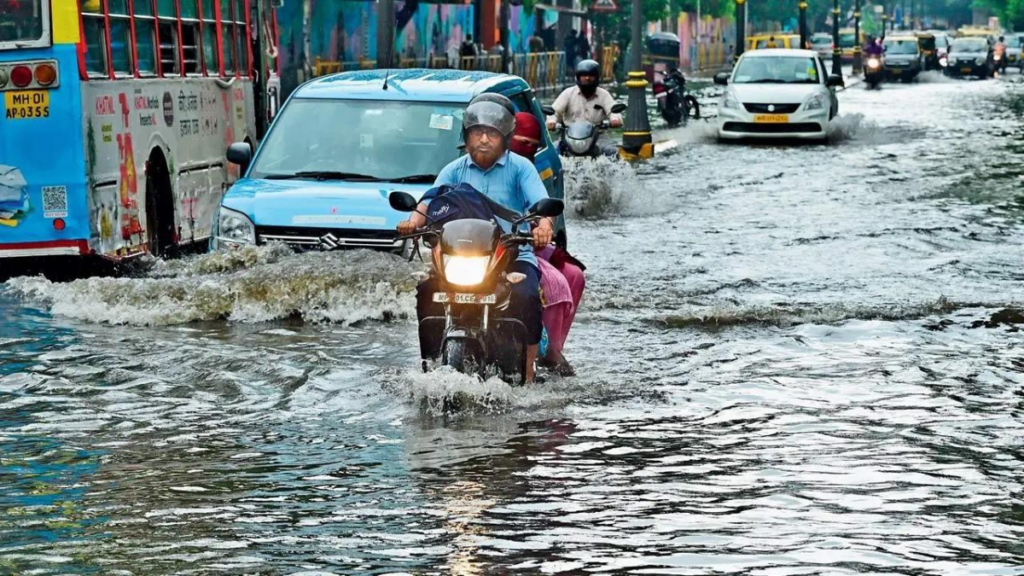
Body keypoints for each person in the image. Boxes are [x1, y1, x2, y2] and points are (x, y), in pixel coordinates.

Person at [397, 96, 554, 383]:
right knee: (426, 291)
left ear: (504, 137)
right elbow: (428, 202)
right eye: (477, 133)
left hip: (510, 254)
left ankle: (528, 372)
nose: (484, 139)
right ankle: (430, 366)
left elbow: (541, 204)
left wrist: (544, 225)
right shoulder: (454, 169)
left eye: (491, 133)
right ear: (466, 137)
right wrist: (411, 223)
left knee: (527, 294)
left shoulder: (520, 168)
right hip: (462, 256)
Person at [508, 112, 587, 376]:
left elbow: (544, 207)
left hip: (527, 247)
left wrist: (543, 227)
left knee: (574, 275)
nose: (526, 149)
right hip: (489, 251)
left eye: (532, 144)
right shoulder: (471, 168)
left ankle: (552, 349)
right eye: (521, 142)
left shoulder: (528, 171)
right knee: (553, 285)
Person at [548, 59, 623, 130]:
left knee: (610, 144)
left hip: (597, 137)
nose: (587, 78)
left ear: (597, 77)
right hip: (569, 136)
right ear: (578, 77)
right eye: (584, 75)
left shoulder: (604, 95)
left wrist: (615, 119)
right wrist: (552, 121)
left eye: (591, 75)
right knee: (554, 144)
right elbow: (555, 111)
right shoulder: (568, 93)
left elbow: (613, 111)